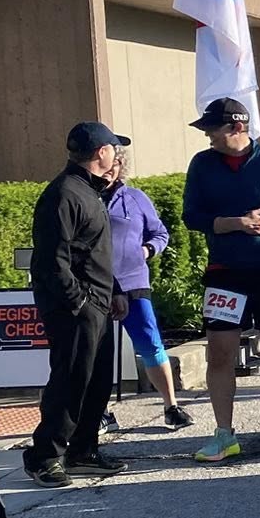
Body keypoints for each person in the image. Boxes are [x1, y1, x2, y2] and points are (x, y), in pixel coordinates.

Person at [184, 97, 260, 461]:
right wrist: (238, 223)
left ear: (237, 127)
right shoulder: (203, 164)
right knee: (220, 352)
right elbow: (193, 216)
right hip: (225, 272)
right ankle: (224, 434)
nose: (207, 134)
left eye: (213, 128)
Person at [25, 123, 132, 486]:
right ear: (101, 152)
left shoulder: (92, 192)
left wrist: (114, 290)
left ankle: (82, 451)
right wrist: (80, 302)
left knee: (96, 382)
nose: (118, 155)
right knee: (71, 381)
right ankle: (44, 457)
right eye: (114, 149)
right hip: (75, 309)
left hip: (100, 304)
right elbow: (52, 261)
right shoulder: (64, 194)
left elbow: (93, 253)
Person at [103, 152, 190, 429]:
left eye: (115, 164)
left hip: (132, 282)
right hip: (95, 284)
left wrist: (147, 249)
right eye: (105, 164)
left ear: (120, 165)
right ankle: (100, 412)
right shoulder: (83, 198)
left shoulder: (135, 198)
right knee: (95, 352)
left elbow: (160, 233)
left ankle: (171, 407)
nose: (109, 170)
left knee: (151, 344)